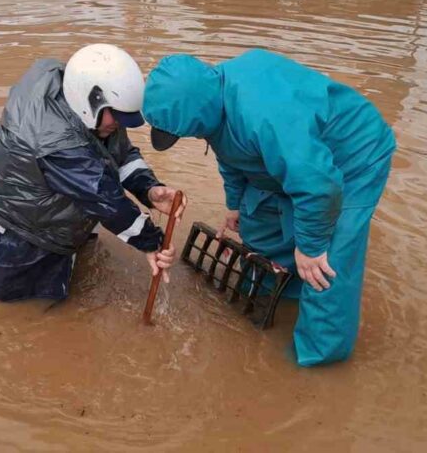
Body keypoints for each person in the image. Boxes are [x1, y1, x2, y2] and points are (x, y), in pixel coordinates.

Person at [141, 49, 395, 366]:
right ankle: (278, 290)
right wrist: (234, 204)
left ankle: (317, 359)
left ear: (198, 117)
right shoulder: (211, 97)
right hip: (301, 162)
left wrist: (312, 246)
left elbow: (319, 185)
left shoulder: (264, 115)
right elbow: (231, 155)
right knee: (257, 219)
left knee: (325, 267)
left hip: (350, 157)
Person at [0, 44, 185, 302]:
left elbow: (119, 154)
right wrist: (153, 242)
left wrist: (149, 189)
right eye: (117, 116)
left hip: (32, 213)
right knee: (21, 306)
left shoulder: (86, 106)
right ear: (91, 100)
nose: (119, 124)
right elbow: (104, 198)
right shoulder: (56, 141)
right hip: (0, 232)